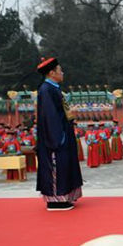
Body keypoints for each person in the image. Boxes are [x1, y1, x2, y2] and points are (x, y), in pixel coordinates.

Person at [35, 57, 83, 211]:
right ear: (51, 73)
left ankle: (65, 197)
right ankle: (56, 200)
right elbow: (50, 117)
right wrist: (58, 139)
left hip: (63, 133)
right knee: (56, 167)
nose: (62, 73)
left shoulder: (54, 88)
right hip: (55, 138)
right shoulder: (46, 90)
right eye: (59, 70)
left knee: (66, 166)